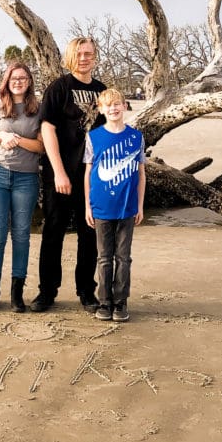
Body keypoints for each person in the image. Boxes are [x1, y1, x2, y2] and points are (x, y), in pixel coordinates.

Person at [30, 36, 106, 313]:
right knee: (54, 231)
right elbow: (47, 130)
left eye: (89, 53)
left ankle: (87, 291)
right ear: (71, 58)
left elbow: (110, 130)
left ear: (95, 57)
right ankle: (47, 292)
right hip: (59, 173)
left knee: (89, 232)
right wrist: (60, 172)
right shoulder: (59, 88)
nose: (84, 58)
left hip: (92, 175)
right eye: (79, 54)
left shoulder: (102, 91)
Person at [0, 62, 44, 312]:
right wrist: (0, 137)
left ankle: (17, 293)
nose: (18, 81)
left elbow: (41, 147)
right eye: (14, 78)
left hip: (26, 178)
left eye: (23, 78)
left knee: (21, 236)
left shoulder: (38, 110)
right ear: (6, 81)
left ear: (29, 81)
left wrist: (17, 141)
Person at [84, 88, 145, 323]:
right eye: (108, 105)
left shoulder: (136, 137)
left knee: (124, 257)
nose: (113, 108)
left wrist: (140, 206)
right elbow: (89, 172)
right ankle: (105, 302)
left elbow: (141, 174)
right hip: (101, 208)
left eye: (117, 104)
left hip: (127, 207)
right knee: (104, 257)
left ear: (124, 106)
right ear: (101, 109)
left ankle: (121, 301)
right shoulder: (94, 136)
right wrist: (88, 206)